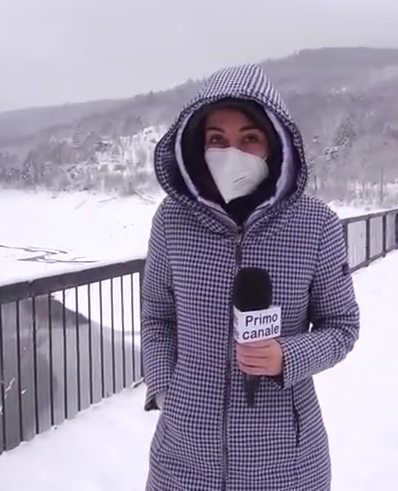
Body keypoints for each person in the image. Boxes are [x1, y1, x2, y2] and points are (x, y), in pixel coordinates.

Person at [140, 63, 361, 490]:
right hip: (182, 462)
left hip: (286, 465)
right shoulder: (172, 221)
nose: (231, 153)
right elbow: (158, 317)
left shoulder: (316, 225)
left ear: (274, 145)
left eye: (249, 138)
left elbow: (342, 327)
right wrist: (167, 391)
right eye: (217, 140)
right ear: (196, 146)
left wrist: (287, 356)